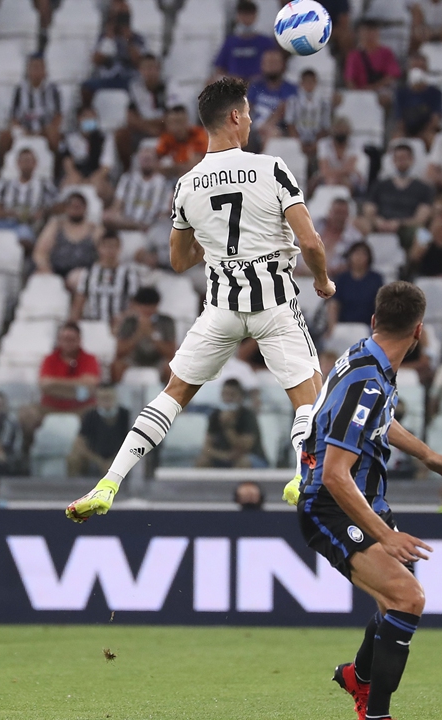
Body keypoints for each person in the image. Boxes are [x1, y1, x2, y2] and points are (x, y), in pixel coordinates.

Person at [64, 77, 337, 523]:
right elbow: (310, 241)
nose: (249, 120)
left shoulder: (187, 184)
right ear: (234, 117)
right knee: (307, 396)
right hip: (272, 303)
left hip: (222, 308)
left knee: (172, 395)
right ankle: (299, 474)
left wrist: (213, 241)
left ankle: (109, 481)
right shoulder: (271, 169)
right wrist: (323, 282)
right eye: (247, 113)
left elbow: (178, 259)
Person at [293, 282, 442, 720]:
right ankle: (376, 712)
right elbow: (335, 475)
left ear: (375, 322)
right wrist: (382, 536)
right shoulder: (369, 382)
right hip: (330, 505)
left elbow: (378, 421)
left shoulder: (363, 356)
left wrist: (428, 456)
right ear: (419, 332)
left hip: (364, 498)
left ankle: (358, 677)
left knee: (395, 599)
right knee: (407, 599)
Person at [19, 322, 102, 440]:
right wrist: (76, 386)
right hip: (49, 407)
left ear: (79, 340)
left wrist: (56, 386)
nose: (68, 343)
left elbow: (91, 385)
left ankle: (89, 452)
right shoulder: (49, 359)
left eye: (71, 339)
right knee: (26, 414)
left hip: (82, 408)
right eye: (64, 339)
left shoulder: (89, 359)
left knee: (98, 416)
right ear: (59, 340)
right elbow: (44, 385)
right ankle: (27, 452)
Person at [0, 148, 58, 247]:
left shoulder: (44, 184)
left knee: (25, 240)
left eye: (29, 161)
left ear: (35, 163)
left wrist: (43, 212)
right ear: (18, 163)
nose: (26, 164)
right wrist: (15, 214)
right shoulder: (4, 183)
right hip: (3, 222)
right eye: (23, 161)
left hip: (28, 226)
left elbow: (58, 206)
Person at [358, 144, 435, 243]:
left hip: (407, 227)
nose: (401, 161)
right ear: (393, 161)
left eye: (404, 158)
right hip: (380, 224)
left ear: (412, 160)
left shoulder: (424, 188)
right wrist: (378, 221)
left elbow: (421, 217)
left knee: (423, 235)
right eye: (398, 158)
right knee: (358, 223)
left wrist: (399, 223)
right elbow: (369, 208)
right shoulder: (380, 184)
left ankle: (414, 258)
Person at [0, 55, 63, 161]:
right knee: (4, 137)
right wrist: (23, 131)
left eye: (39, 68)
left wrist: (44, 131)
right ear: (28, 70)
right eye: (33, 67)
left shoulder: (53, 90)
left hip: (45, 131)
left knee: (54, 136)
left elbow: (58, 116)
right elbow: (13, 118)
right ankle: (1, 170)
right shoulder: (19, 90)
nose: (36, 71)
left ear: (45, 71)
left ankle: (56, 172)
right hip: (24, 130)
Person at [33, 191, 101, 286]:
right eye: (72, 206)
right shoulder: (56, 225)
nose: (75, 210)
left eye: (78, 207)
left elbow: (103, 254)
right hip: (55, 271)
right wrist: (45, 268)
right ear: (66, 208)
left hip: (82, 274)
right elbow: (40, 251)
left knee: (78, 278)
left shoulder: (94, 228)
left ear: (85, 208)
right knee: (40, 279)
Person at [81, 0, 145, 100]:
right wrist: (109, 38)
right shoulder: (104, 37)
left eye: (124, 16)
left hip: (129, 79)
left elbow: (140, 62)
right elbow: (96, 60)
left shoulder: (137, 38)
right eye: (119, 16)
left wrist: (128, 39)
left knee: (139, 88)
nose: (121, 20)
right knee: (86, 87)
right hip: (107, 78)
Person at [198, 378, 268, 468]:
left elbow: (245, 448)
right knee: (202, 461)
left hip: (251, 458)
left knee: (243, 462)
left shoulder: (248, 416)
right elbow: (206, 448)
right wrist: (224, 456)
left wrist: (228, 427)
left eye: (232, 395)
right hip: (223, 456)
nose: (228, 399)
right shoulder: (215, 415)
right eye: (225, 394)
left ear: (241, 397)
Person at [112, 286, 176, 383]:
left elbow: (170, 353)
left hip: (157, 361)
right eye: (143, 307)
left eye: (150, 306)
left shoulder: (166, 322)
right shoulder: (129, 322)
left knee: (170, 367)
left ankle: (168, 396)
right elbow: (119, 352)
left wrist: (151, 334)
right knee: (117, 366)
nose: (146, 310)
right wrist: (138, 334)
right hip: (134, 360)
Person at [71, 233, 138, 324]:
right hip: (93, 324)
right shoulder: (88, 273)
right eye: (106, 246)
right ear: (98, 248)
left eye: (113, 246)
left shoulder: (129, 274)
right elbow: (79, 302)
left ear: (119, 248)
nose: (110, 250)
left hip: (119, 326)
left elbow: (134, 304)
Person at [115, 52, 167, 166]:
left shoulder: (168, 86)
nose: (150, 72)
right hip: (143, 130)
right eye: (147, 68)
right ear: (140, 70)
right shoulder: (134, 87)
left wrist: (149, 122)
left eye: (153, 68)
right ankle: (127, 170)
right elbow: (130, 117)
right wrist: (149, 128)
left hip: (163, 129)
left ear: (159, 69)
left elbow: (172, 116)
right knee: (121, 134)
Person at [67, 383, 130, 477]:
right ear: (97, 399)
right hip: (94, 458)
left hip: (121, 457)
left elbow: (133, 442)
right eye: (103, 398)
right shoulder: (90, 416)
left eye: (109, 398)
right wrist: (99, 461)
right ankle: (74, 489)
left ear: (116, 398)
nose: (106, 401)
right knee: (74, 458)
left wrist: (116, 460)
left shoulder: (126, 416)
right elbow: (79, 443)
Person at [102, 146, 170, 232]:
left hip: (151, 227)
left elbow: (164, 212)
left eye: (149, 159)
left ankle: (140, 227)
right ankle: (138, 226)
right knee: (106, 217)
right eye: (144, 159)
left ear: (156, 161)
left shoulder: (164, 183)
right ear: (138, 160)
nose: (146, 162)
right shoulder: (127, 179)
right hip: (127, 222)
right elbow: (117, 205)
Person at [328, 242, 385, 335]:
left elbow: (381, 305)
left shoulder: (376, 279)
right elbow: (334, 304)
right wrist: (332, 328)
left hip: (367, 326)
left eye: (363, 254)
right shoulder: (342, 279)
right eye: (356, 254)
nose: (359, 258)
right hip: (344, 325)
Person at [58, 105, 115, 197]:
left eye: (93, 117)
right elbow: (67, 163)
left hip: (97, 173)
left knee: (100, 186)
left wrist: (91, 180)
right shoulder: (68, 138)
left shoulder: (105, 138)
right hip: (77, 172)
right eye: (86, 116)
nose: (90, 119)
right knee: (68, 184)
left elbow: (106, 167)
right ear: (79, 118)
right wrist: (75, 176)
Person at [213, 0, 276, 81]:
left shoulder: (265, 42)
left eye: (249, 15)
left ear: (255, 16)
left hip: (259, 87)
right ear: (237, 17)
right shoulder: (230, 42)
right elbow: (220, 68)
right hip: (235, 87)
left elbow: (275, 66)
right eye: (243, 15)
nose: (246, 19)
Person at [247, 49, 298, 147]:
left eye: (275, 63)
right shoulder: (256, 86)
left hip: (279, 128)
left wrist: (266, 125)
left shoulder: (290, 89)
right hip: (254, 127)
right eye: (268, 63)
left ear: (283, 65)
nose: (271, 66)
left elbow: (282, 110)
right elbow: (247, 107)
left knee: (273, 134)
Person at [344, 19, 401, 106]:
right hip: (359, 92)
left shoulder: (386, 52)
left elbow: (392, 77)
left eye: (372, 32)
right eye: (366, 32)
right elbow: (349, 80)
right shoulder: (354, 55)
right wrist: (357, 94)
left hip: (379, 91)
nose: (369, 36)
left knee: (386, 98)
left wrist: (373, 88)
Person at [300, 197, 358, 277]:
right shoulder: (314, 226)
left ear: (348, 215)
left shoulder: (354, 238)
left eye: (343, 213)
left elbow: (354, 263)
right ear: (329, 212)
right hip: (300, 273)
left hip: (332, 278)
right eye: (337, 212)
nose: (339, 217)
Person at [393, 65, 442, 149]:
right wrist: (407, 133)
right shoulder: (401, 93)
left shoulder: (435, 93)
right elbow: (399, 120)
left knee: (432, 139)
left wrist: (422, 133)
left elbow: (435, 119)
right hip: (407, 129)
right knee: (396, 139)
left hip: (427, 128)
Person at [287, 69, 333, 157]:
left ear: (316, 83)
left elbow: (325, 125)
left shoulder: (324, 102)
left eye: (312, 81)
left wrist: (316, 143)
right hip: (298, 138)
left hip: (317, 139)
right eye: (306, 82)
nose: (309, 84)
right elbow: (290, 123)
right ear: (301, 83)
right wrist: (298, 141)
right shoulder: (293, 100)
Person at [315, 117, 367, 194]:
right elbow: (324, 169)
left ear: (348, 131)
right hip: (328, 177)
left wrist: (334, 174)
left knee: (344, 182)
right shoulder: (323, 144)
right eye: (338, 129)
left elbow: (350, 168)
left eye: (343, 130)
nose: (341, 132)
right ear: (333, 131)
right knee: (328, 181)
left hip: (350, 177)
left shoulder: (355, 144)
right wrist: (334, 175)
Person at [156, 105, 208, 179]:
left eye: (180, 122)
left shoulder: (198, 134)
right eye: (173, 123)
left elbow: (195, 166)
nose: (178, 127)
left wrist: (172, 168)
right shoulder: (166, 139)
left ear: (187, 122)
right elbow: (156, 167)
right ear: (167, 124)